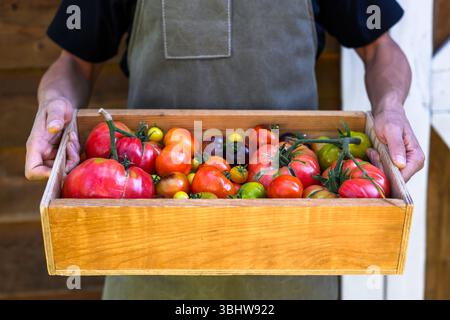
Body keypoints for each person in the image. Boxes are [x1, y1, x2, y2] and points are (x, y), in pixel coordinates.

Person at [25, 0, 425, 300]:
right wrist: (53, 105)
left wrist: (390, 106)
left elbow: (380, 48)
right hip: (149, 250)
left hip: (293, 252)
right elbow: (74, 63)